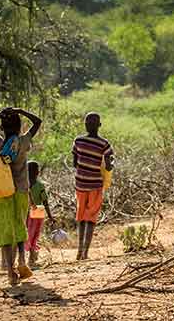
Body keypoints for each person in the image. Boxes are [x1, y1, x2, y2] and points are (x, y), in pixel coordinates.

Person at [0, 107, 42, 286]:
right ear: (20, 126)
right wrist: (21, 110)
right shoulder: (23, 141)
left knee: (5, 230)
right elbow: (37, 122)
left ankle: (10, 272)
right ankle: (21, 261)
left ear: (2, 128)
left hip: (1, 192)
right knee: (19, 226)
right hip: (20, 191)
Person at [72, 112, 114, 261]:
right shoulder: (104, 144)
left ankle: (79, 251)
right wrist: (110, 164)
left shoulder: (78, 141)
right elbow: (108, 166)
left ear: (85, 124)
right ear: (100, 125)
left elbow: (74, 163)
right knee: (90, 218)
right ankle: (85, 252)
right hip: (95, 184)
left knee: (81, 218)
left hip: (80, 184)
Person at [26, 161, 55, 267]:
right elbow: (45, 202)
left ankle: (31, 257)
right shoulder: (40, 185)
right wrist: (50, 216)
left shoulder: (24, 185)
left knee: (28, 234)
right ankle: (32, 257)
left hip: (26, 211)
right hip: (38, 211)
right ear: (37, 172)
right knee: (35, 235)